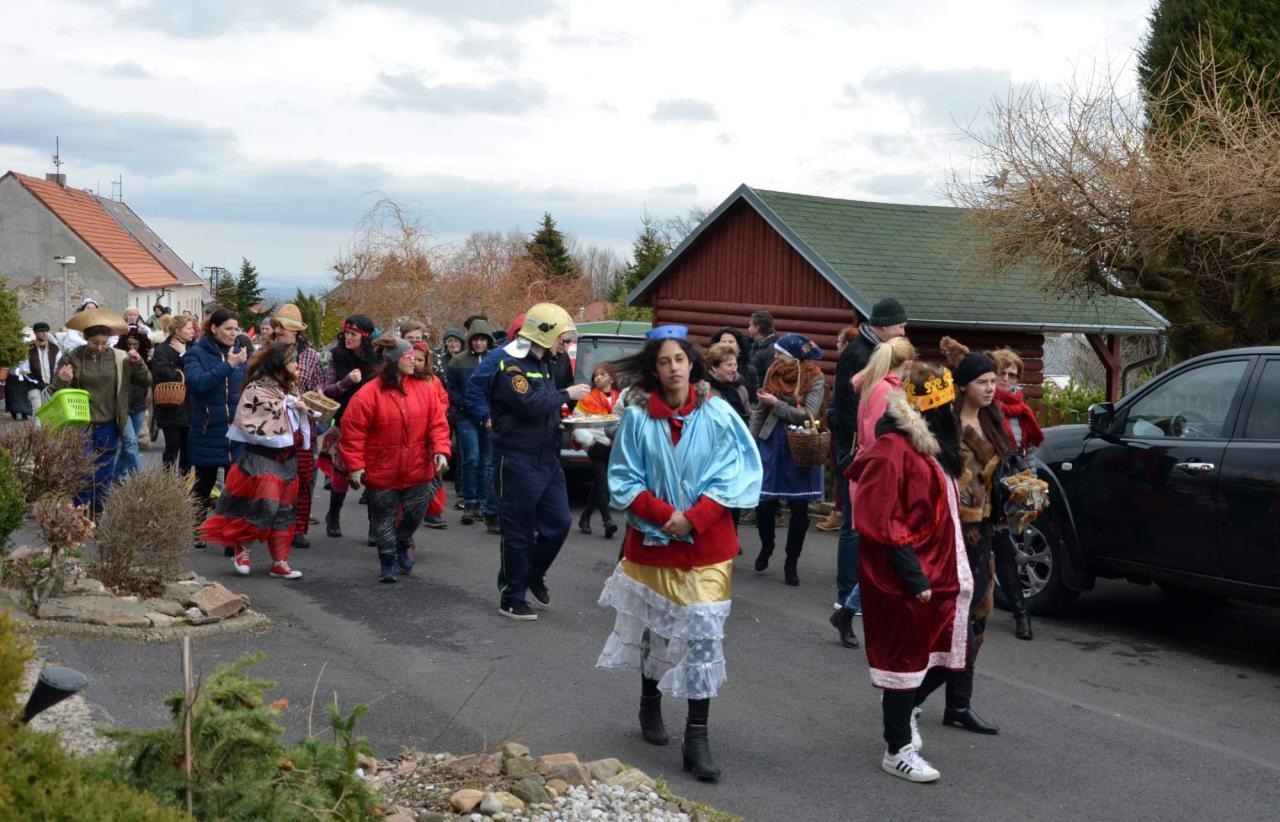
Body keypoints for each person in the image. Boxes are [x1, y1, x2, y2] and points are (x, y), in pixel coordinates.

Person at [596, 325, 762, 783]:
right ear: (654, 369)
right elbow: (624, 477)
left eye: (680, 360)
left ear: (693, 365)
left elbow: (736, 471)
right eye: (664, 361)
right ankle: (650, 701)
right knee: (657, 629)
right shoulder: (637, 418)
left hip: (707, 544)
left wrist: (695, 517)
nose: (673, 368)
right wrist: (665, 514)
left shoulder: (718, 413)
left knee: (704, 636)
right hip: (654, 543)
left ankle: (697, 735)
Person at [847, 361, 973, 783]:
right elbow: (880, 519)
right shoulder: (892, 451)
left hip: (941, 570)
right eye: (947, 406)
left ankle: (906, 710)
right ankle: (896, 748)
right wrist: (914, 577)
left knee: (955, 648)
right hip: (906, 578)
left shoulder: (930, 447)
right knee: (904, 662)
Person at [490, 303, 590, 620]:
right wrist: (567, 394)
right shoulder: (511, 365)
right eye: (563, 337)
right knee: (519, 533)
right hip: (517, 460)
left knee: (559, 523)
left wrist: (561, 422)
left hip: (547, 459)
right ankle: (512, 596)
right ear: (545, 334)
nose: (566, 343)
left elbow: (543, 408)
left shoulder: (546, 364)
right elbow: (528, 403)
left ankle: (531, 575)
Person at [939, 336, 1010, 735]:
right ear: (963, 384)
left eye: (993, 381)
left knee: (979, 617)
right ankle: (908, 698)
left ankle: (959, 705)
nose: (990, 388)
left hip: (985, 529)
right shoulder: (947, 425)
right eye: (983, 381)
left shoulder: (991, 421)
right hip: (954, 531)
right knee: (956, 622)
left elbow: (998, 475)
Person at [830, 336, 917, 649]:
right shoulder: (885, 391)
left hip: (878, 477)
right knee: (884, 554)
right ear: (906, 363)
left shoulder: (879, 386)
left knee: (885, 556)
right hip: (880, 481)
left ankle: (849, 613)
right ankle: (854, 612)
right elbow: (881, 440)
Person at [340, 339, 451, 582]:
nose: (413, 361)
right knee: (382, 517)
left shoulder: (425, 389)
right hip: (381, 470)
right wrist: (355, 466)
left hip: (418, 469)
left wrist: (441, 450)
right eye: (408, 356)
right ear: (394, 360)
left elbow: (438, 424)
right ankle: (388, 560)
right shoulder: (369, 393)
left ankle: (403, 540)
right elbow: (353, 433)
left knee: (415, 513)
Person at [200, 342, 307, 580]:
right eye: (293, 361)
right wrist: (284, 405)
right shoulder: (257, 389)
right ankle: (242, 548)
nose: (297, 365)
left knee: (284, 511)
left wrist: (304, 410)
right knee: (262, 507)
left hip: (288, 461)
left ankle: (280, 561)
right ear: (280, 364)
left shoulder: (291, 390)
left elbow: (296, 423)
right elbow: (250, 421)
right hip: (261, 460)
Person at [54, 308, 152, 507]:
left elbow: (146, 380)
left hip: (109, 423)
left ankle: (98, 508)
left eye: (104, 343)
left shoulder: (119, 358)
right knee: (82, 469)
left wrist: (139, 363)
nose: (99, 347)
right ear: (85, 339)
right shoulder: (72, 358)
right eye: (94, 343)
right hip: (81, 424)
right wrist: (63, 380)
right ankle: (81, 509)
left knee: (104, 470)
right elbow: (56, 391)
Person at [750, 333, 827, 586]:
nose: (775, 357)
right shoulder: (773, 372)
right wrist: (750, 442)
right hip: (772, 441)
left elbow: (808, 414)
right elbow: (760, 410)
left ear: (794, 357)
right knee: (764, 504)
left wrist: (776, 404)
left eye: (780, 353)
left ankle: (791, 562)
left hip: (801, 444)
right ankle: (767, 545)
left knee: (799, 509)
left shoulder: (814, 376)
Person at [989, 347, 1042, 640]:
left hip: (1009, 491)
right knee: (972, 553)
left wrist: (1033, 488)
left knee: (1006, 552)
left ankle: (1022, 614)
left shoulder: (1022, 412)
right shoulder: (983, 407)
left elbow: (1028, 454)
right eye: (1002, 373)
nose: (1007, 379)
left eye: (1012, 374)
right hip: (982, 488)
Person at [185, 308, 250, 542]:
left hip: (236, 431)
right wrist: (228, 365)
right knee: (204, 484)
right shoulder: (196, 354)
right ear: (213, 328)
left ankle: (229, 535)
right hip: (207, 430)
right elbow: (197, 384)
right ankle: (196, 530)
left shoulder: (240, 353)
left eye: (235, 329)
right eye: (228, 329)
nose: (233, 333)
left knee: (235, 487)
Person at [317, 315, 380, 538]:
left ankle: (375, 525)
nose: (348, 337)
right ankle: (333, 515)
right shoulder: (337, 356)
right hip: (344, 422)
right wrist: (347, 382)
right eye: (346, 333)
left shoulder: (377, 358)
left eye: (353, 334)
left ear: (365, 337)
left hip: (372, 425)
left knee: (373, 474)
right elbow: (327, 390)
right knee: (341, 473)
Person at [272, 304, 323, 549]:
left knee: (303, 479)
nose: (278, 331)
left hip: (302, 429)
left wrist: (311, 400)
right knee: (274, 479)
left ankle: (299, 528)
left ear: (295, 331)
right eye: (277, 326)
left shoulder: (311, 356)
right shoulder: (267, 352)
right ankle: (274, 527)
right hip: (273, 427)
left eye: (283, 327)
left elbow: (319, 388)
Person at [446, 320, 497, 526]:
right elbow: (451, 390)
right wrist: (467, 404)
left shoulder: (495, 360)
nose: (478, 343)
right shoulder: (458, 361)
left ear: (488, 341)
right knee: (471, 458)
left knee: (486, 460)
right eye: (475, 339)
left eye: (483, 339)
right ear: (469, 340)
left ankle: (482, 502)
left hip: (490, 418)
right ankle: (469, 502)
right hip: (466, 416)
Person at [817, 326, 860, 532]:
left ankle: (842, 513)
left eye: (839, 342)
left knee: (844, 470)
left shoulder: (851, 366)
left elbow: (844, 400)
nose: (836, 345)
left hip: (845, 427)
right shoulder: (844, 364)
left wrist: (833, 415)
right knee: (839, 469)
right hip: (840, 423)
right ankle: (839, 511)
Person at [574, 362, 620, 538]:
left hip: (614, 447)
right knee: (602, 482)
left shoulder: (620, 398)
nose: (598, 378)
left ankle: (585, 517)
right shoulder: (587, 399)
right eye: (596, 375)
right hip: (596, 446)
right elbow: (577, 423)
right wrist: (590, 442)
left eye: (602, 374)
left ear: (612, 378)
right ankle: (608, 521)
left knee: (599, 484)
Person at [150, 314, 195, 474]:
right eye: (189, 328)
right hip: (169, 405)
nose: (193, 331)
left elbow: (198, 373)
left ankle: (184, 483)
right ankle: (167, 483)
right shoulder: (161, 349)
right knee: (172, 447)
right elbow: (163, 374)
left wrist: (184, 354)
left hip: (190, 406)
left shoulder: (193, 348)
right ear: (177, 331)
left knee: (188, 450)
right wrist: (183, 373)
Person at [112, 327, 153, 479]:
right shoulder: (119, 357)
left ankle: (117, 475)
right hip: (122, 406)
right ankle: (141, 479)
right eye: (129, 344)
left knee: (131, 442)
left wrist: (139, 362)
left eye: (135, 344)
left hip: (140, 404)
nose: (132, 347)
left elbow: (149, 380)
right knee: (130, 441)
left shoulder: (146, 359)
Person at [709, 327, 758, 403]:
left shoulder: (749, 369)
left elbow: (753, 399)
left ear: (739, 345)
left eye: (731, 342)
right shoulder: (706, 369)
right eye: (723, 341)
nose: (726, 345)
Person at [704, 342, 749, 424]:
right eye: (729, 365)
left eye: (735, 365)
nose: (734, 370)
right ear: (715, 367)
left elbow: (748, 415)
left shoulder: (740, 389)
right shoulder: (705, 391)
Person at [25, 322, 60, 413]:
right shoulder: (28, 349)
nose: (44, 334)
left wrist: (53, 382)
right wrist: (38, 383)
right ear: (35, 333)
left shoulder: (55, 348)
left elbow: (58, 367)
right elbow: (25, 370)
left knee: (50, 412)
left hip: (50, 385)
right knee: (38, 411)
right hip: (34, 385)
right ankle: (37, 424)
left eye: (46, 331)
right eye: (41, 331)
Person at [746, 310, 778, 388]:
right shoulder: (754, 345)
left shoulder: (772, 350)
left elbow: (771, 379)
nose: (748, 328)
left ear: (757, 328)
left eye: (750, 325)